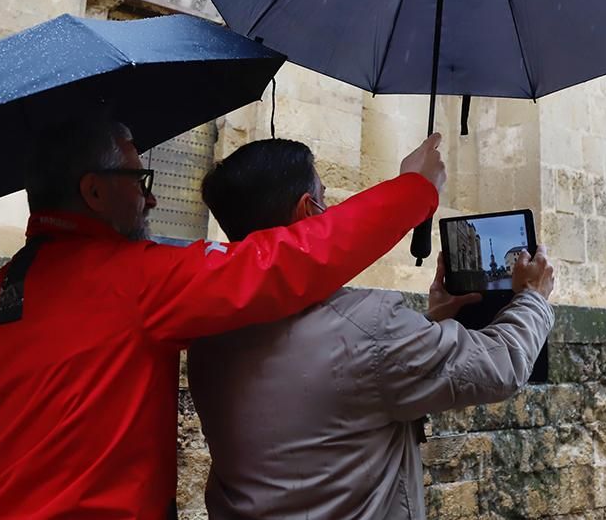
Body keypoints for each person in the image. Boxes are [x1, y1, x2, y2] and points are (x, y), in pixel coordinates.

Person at [0, 111, 446, 520]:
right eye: (138, 180)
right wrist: (414, 190)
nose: (152, 197)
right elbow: (283, 261)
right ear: (93, 191)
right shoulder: (137, 280)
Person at [188, 138, 555, 520]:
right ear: (305, 212)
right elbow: (501, 365)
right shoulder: (367, 327)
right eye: (323, 200)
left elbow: (346, 379)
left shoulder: (209, 334)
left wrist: (432, 324)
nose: (329, 210)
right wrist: (534, 297)